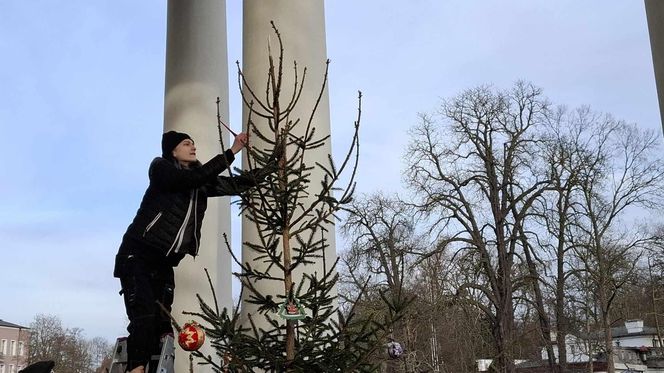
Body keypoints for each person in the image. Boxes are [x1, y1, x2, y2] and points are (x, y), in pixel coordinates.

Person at [113, 130, 265, 373]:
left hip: (164, 262)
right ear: (173, 150)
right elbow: (188, 180)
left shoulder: (198, 180)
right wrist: (233, 151)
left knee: (163, 321)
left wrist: (266, 172)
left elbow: (231, 184)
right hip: (137, 255)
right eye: (186, 144)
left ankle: (159, 367)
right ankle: (136, 368)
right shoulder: (161, 169)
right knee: (143, 314)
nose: (193, 147)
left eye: (194, 143)